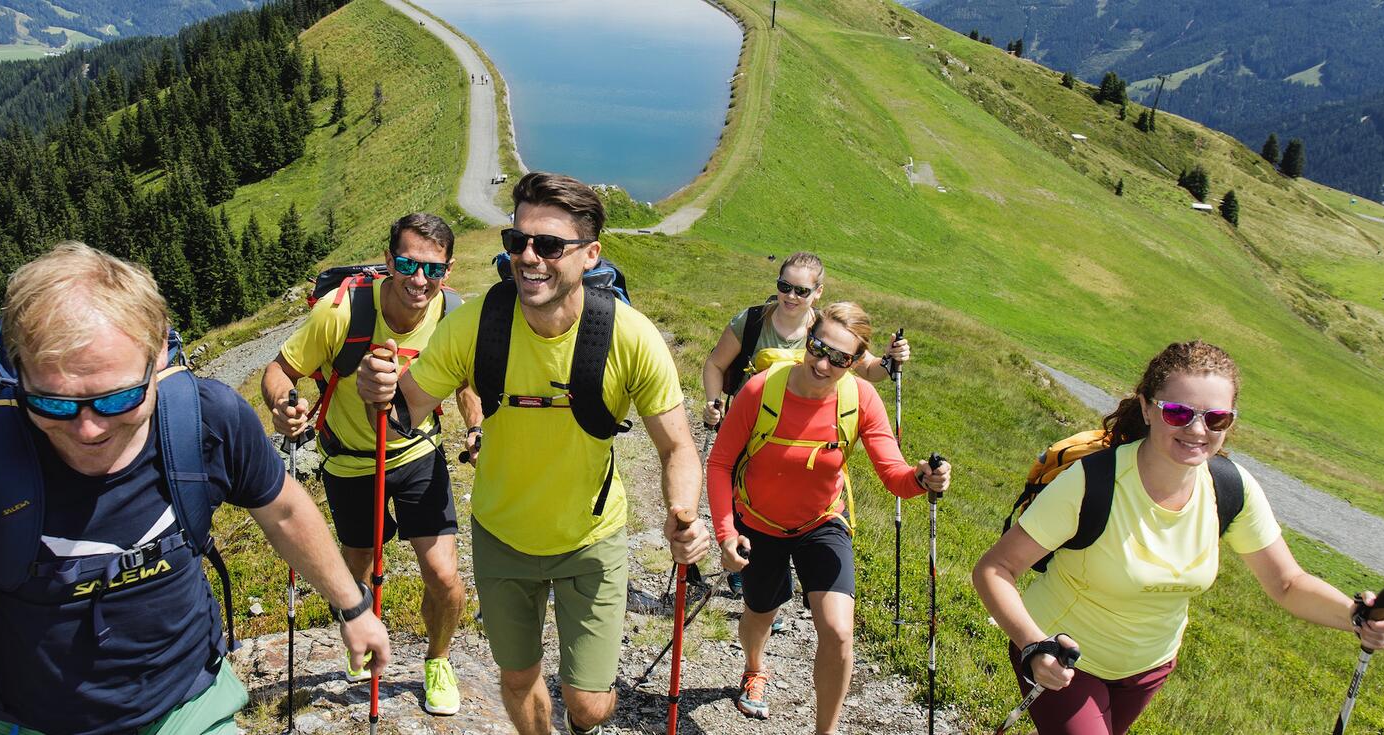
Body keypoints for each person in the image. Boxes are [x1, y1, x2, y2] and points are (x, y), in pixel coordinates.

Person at [0, 242, 390, 735]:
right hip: (34, 725)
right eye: (54, 402)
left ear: (158, 358)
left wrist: (353, 607)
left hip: (191, 710)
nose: (88, 429)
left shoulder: (205, 422)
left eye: (115, 398)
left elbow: (284, 510)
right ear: (19, 372)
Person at [356, 172, 713, 735]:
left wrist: (685, 514)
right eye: (516, 241)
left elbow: (677, 448)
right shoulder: (477, 325)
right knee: (518, 680)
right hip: (501, 536)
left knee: (589, 706)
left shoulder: (630, 336)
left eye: (548, 245)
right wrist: (377, 390)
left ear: (590, 255)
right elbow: (406, 411)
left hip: (591, 541)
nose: (528, 257)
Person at [970, 341, 1384, 735]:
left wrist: (1355, 615)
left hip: (1148, 670)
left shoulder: (1233, 489)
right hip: (1064, 656)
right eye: (1178, 412)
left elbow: (1287, 584)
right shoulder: (1092, 482)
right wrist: (1033, 644)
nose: (1197, 431)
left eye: (1216, 418)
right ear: (1146, 407)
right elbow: (995, 568)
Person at [261, 213, 482, 715]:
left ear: (448, 271)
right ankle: (360, 630)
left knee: (444, 575)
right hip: (350, 460)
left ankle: (438, 659)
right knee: (357, 562)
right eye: (406, 263)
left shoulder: (451, 312)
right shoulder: (341, 313)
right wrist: (284, 405)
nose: (418, 279)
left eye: (432, 268)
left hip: (418, 451)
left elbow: (465, 378)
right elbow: (281, 369)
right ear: (387, 261)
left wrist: (476, 427)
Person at [707, 302, 950, 733]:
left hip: (822, 521)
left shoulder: (861, 398)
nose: (823, 364)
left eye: (840, 359)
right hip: (760, 522)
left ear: (855, 362)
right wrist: (726, 534)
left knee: (839, 632)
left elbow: (894, 476)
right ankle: (754, 667)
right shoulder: (761, 390)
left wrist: (922, 478)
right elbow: (721, 463)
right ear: (807, 338)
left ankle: (826, 730)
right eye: (818, 348)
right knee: (760, 612)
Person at [699, 251, 911, 596]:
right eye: (785, 286)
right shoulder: (752, 321)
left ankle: (774, 572)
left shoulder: (828, 330)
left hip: (809, 430)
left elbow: (868, 369)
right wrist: (714, 402)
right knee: (750, 492)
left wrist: (891, 359)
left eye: (801, 290)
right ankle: (750, 567)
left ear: (818, 292)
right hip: (753, 425)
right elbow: (715, 364)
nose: (791, 296)